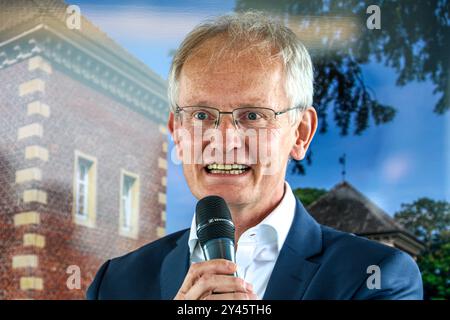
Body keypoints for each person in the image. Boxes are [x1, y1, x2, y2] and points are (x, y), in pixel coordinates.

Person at [86, 11, 422, 300]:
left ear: (301, 132)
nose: (224, 140)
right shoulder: (115, 283)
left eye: (252, 116)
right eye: (202, 115)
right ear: (177, 132)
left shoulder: (377, 277)